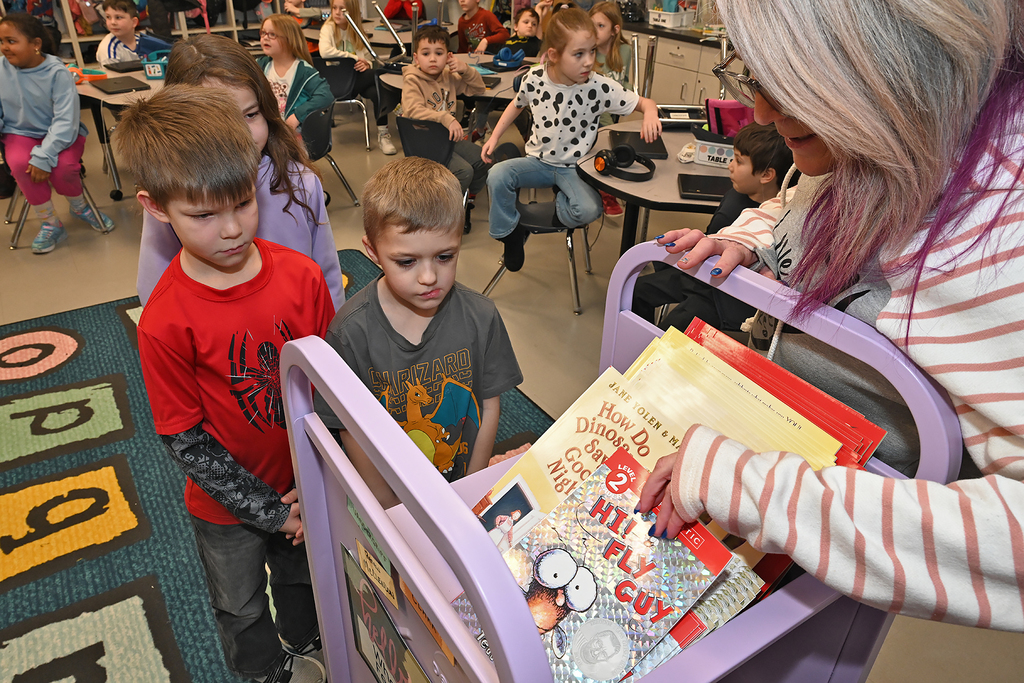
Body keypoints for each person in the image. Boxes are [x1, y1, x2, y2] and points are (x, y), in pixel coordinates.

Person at [638, 0, 1024, 631]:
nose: (759, 112)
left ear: (882, 66)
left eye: (785, 79)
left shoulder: (994, 229)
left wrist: (749, 489)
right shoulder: (860, 142)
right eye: (753, 77)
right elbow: (797, 204)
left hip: (846, 506)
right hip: (789, 436)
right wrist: (750, 237)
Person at [114, 86, 335, 682]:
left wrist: (314, 476)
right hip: (226, 505)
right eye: (203, 215)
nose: (232, 229)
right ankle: (264, 671)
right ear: (157, 208)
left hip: (299, 478)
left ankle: (308, 637)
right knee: (238, 605)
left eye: (242, 203)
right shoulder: (165, 319)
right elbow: (185, 438)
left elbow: (333, 388)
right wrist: (269, 511)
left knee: (303, 576)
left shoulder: (302, 276)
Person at [313, 157, 523, 509]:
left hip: (458, 481)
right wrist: (389, 508)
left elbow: (488, 406)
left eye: (444, 257)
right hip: (389, 494)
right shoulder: (350, 333)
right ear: (372, 252)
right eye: (407, 262)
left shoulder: (481, 316)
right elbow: (349, 431)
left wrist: (471, 489)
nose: (428, 278)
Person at [136, 34, 343, 311]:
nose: (240, 135)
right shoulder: (176, 194)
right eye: (221, 120)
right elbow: (155, 288)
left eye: (250, 114)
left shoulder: (301, 182)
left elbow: (327, 272)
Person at [480, 8, 661, 272]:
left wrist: (651, 114)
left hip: (574, 169)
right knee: (497, 175)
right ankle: (510, 233)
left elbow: (645, 103)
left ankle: (560, 204)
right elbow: (516, 104)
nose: (588, 61)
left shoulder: (598, 86)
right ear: (554, 55)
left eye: (591, 51)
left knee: (589, 210)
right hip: (538, 163)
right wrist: (494, 137)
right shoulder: (534, 78)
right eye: (579, 54)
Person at [631, 122, 793, 332]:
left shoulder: (784, 217)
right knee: (638, 289)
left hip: (725, 297)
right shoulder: (735, 197)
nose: (730, 165)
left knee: (671, 331)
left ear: (766, 174)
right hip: (701, 276)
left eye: (739, 161)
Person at [0, 13, 114, 255]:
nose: (5, 48)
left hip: (63, 135)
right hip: (19, 133)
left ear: (35, 44)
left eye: (11, 41)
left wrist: (44, 155)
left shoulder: (57, 72)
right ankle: (50, 222)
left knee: (63, 168)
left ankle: (79, 207)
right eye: (1, 42)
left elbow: (66, 122)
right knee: (21, 164)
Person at [402, 26, 489, 233]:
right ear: (416, 58)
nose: (433, 59)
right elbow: (413, 110)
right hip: (425, 142)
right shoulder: (412, 80)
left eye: (439, 54)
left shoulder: (448, 76)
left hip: (448, 139)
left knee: (484, 159)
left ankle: (464, 202)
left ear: (448, 56)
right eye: (426, 54)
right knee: (463, 171)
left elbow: (478, 89)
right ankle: (441, 217)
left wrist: (465, 69)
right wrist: (445, 118)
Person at [318, 0, 398, 154]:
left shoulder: (356, 30)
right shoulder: (328, 28)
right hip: (337, 83)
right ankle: (396, 92)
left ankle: (383, 135)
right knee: (381, 75)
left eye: (342, 9)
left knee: (377, 91)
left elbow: (366, 57)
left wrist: (366, 64)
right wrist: (352, 58)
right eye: (334, 8)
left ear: (352, 12)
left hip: (357, 81)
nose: (336, 12)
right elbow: (325, 52)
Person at [257, 14, 335, 133]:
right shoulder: (260, 65)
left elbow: (325, 96)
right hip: (266, 129)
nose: (265, 38)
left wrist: (297, 116)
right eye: (263, 33)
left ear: (289, 39)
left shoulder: (304, 71)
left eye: (272, 34)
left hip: (291, 134)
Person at [588, 1, 631, 215]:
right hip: (592, 114)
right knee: (606, 136)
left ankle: (611, 184)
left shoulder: (625, 51)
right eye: (592, 25)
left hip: (615, 112)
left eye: (601, 26)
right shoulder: (588, 53)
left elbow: (626, 82)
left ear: (615, 30)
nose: (594, 31)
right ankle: (606, 193)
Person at [97, 0, 171, 65]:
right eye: (108, 17)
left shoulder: (143, 41)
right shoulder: (109, 50)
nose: (113, 22)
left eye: (118, 17)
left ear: (134, 22)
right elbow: (114, 79)